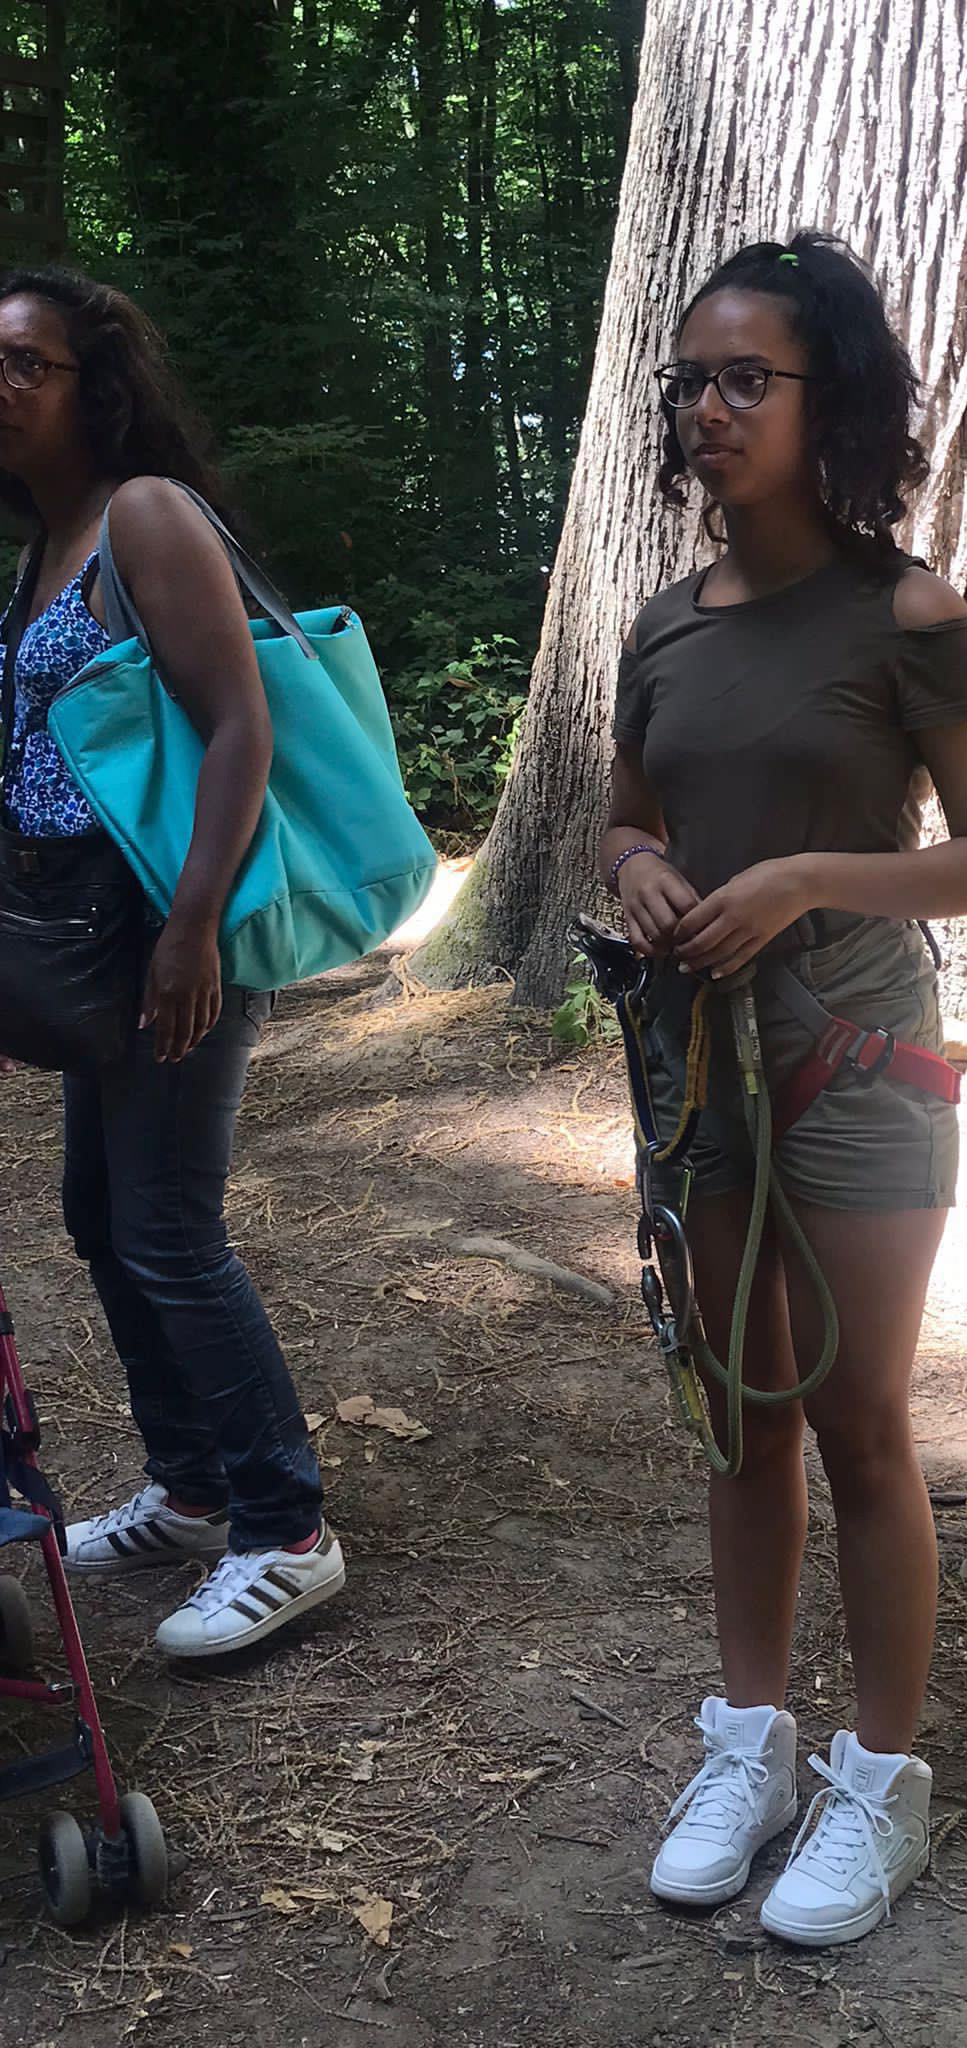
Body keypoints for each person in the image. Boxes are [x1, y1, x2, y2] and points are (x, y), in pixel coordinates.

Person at [601, 231, 967, 1946]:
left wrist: (800, 881)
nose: (709, 411)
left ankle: (881, 1779)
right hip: (702, 1065)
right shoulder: (661, 623)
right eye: (690, 383)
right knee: (739, 1412)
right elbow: (625, 815)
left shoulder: (911, 615)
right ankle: (752, 1744)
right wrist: (639, 866)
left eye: (745, 380)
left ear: (825, 398)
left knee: (859, 1420)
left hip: (857, 1062)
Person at [0, 266, 343, 1657]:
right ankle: (193, 1489)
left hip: (162, 926)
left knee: (166, 1228)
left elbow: (240, 726)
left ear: (95, 386)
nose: (0, 385)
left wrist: (194, 927)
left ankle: (286, 1528)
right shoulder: (47, 541)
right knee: (99, 1212)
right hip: (90, 934)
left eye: (25, 362)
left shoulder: (144, 512)